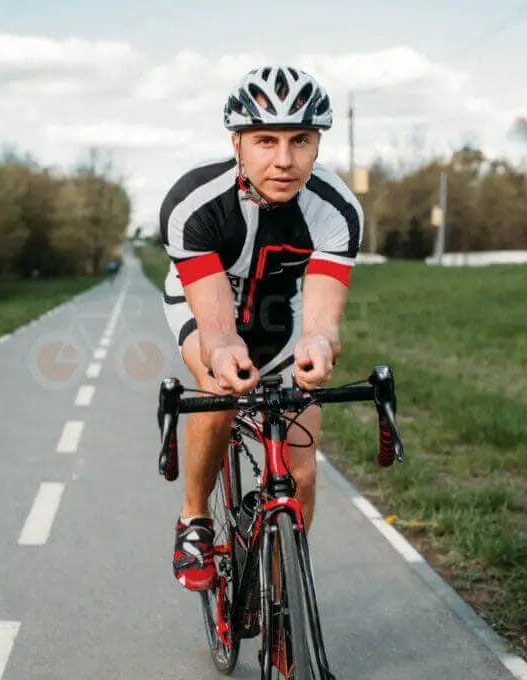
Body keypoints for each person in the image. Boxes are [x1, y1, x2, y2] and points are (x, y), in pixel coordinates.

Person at [158, 66, 370, 597]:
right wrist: (224, 352)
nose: (284, 159)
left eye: (301, 140)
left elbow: (322, 321)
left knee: (301, 474)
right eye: (266, 140)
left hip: (282, 308)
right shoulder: (194, 204)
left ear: (318, 143)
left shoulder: (337, 209)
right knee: (220, 382)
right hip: (206, 300)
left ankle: (283, 599)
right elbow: (220, 332)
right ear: (237, 143)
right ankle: (194, 521)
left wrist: (319, 344)